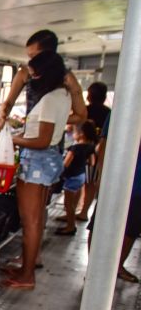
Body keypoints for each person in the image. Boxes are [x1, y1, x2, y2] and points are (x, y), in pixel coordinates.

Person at [0, 51, 71, 290]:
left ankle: (26, 275)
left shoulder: (50, 99)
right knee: (37, 218)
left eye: (35, 74)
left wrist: (13, 139)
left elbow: (42, 140)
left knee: (29, 221)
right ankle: (26, 266)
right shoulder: (63, 95)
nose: (32, 79)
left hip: (37, 162)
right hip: (47, 161)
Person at [87, 113, 141, 283]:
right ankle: (93, 267)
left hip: (137, 184)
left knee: (131, 227)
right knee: (100, 223)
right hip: (116, 178)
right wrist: (101, 175)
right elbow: (104, 143)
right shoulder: (126, 102)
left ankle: (116, 266)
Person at [0, 29, 86, 129]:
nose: (31, 61)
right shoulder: (25, 73)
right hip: (28, 136)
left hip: (53, 140)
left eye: (34, 56)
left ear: (48, 54)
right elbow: (8, 103)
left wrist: (47, 120)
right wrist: (3, 114)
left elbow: (81, 116)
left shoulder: (67, 78)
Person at [55, 120, 97, 236]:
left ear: (81, 134)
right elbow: (92, 162)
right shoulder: (90, 147)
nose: (72, 134)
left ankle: (70, 226)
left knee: (68, 203)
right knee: (74, 203)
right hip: (81, 176)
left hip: (72, 177)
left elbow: (65, 164)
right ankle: (70, 219)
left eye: (74, 132)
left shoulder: (74, 148)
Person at [78, 82, 112, 220]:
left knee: (82, 182)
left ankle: (80, 211)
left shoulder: (84, 112)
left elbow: (75, 131)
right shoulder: (108, 113)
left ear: (90, 96)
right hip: (97, 153)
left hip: (83, 152)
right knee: (90, 182)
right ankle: (83, 210)